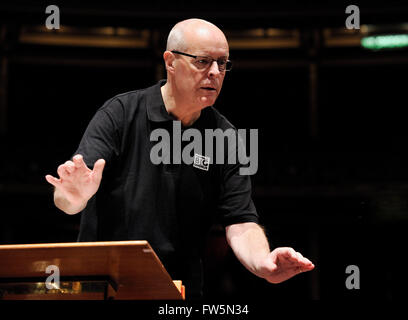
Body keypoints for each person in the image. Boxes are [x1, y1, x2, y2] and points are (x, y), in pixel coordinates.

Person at [45, 18, 314, 299]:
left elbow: (241, 219)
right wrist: (74, 198)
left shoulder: (227, 138)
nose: (214, 73)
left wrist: (262, 263)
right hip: (102, 286)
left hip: (178, 290)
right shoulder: (120, 114)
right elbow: (68, 200)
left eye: (222, 64)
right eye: (202, 61)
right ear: (170, 61)